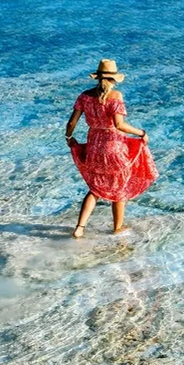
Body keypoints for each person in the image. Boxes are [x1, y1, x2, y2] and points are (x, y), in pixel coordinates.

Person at [65, 59, 157, 237]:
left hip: (94, 145)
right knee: (119, 187)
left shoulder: (84, 96)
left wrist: (69, 137)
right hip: (114, 145)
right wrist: (141, 133)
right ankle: (117, 228)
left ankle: (80, 228)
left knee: (95, 188)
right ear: (114, 78)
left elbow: (71, 123)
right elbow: (119, 124)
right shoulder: (115, 97)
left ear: (98, 77)